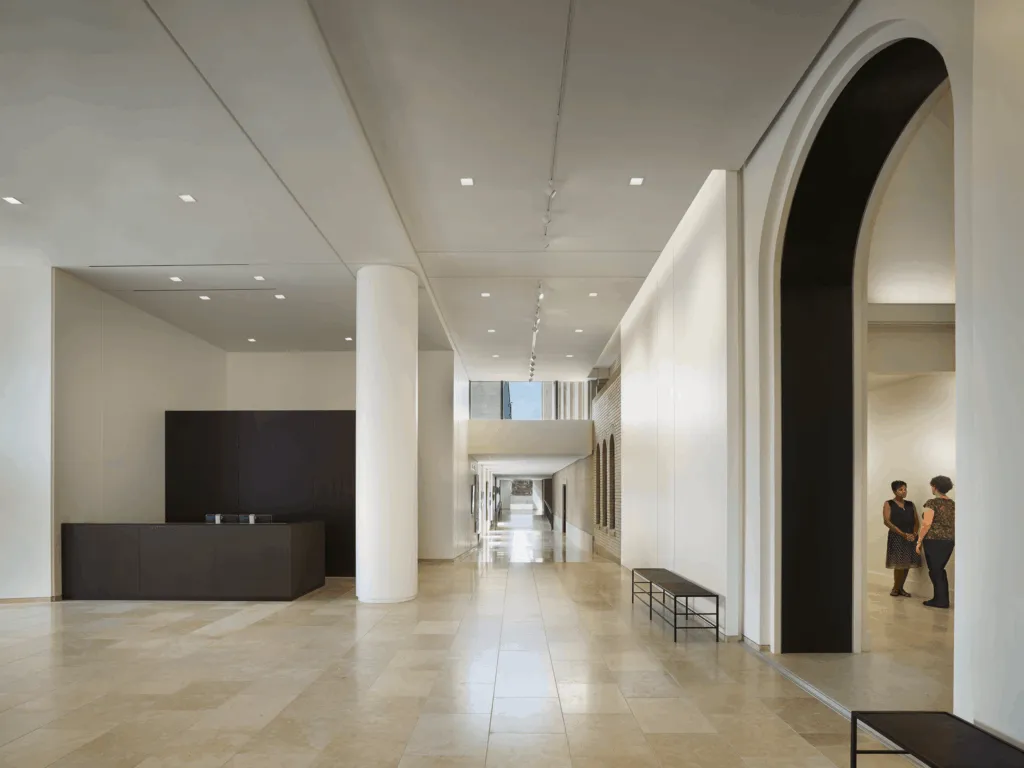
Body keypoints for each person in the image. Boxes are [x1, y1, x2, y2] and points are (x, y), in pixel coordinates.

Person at [916, 475, 955, 608]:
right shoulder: (953, 504)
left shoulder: (932, 503)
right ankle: (940, 599)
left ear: (935, 487)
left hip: (933, 540)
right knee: (939, 569)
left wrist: (919, 541)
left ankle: (941, 600)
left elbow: (926, 524)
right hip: (949, 540)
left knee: (935, 570)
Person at [882, 480, 920, 596]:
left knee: (906, 563)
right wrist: (903, 534)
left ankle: (901, 588)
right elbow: (887, 521)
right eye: (900, 489)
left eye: (905, 489)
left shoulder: (910, 504)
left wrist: (914, 533)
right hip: (897, 536)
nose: (904, 491)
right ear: (894, 491)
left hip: (911, 537)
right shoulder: (889, 503)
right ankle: (895, 588)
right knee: (899, 564)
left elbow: (916, 520)